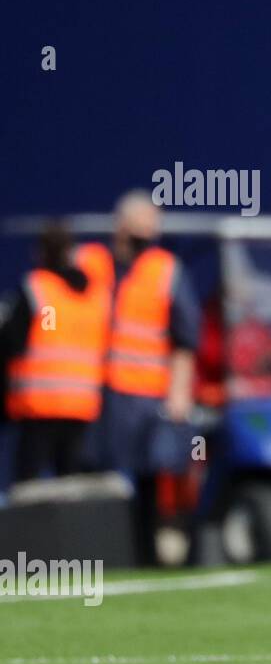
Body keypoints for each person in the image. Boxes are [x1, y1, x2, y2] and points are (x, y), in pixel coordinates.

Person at [94, 191, 200, 565]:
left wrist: (179, 392)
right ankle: (97, 554)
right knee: (96, 475)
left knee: (148, 479)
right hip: (97, 392)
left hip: (146, 393)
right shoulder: (94, 264)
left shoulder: (166, 270)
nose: (148, 231)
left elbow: (185, 339)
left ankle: (146, 555)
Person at [1, 223, 113, 481]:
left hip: (39, 405)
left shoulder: (37, 288)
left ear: (40, 252)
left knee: (27, 486)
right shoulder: (97, 297)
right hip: (82, 406)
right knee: (71, 484)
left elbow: (13, 342)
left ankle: (26, 524)